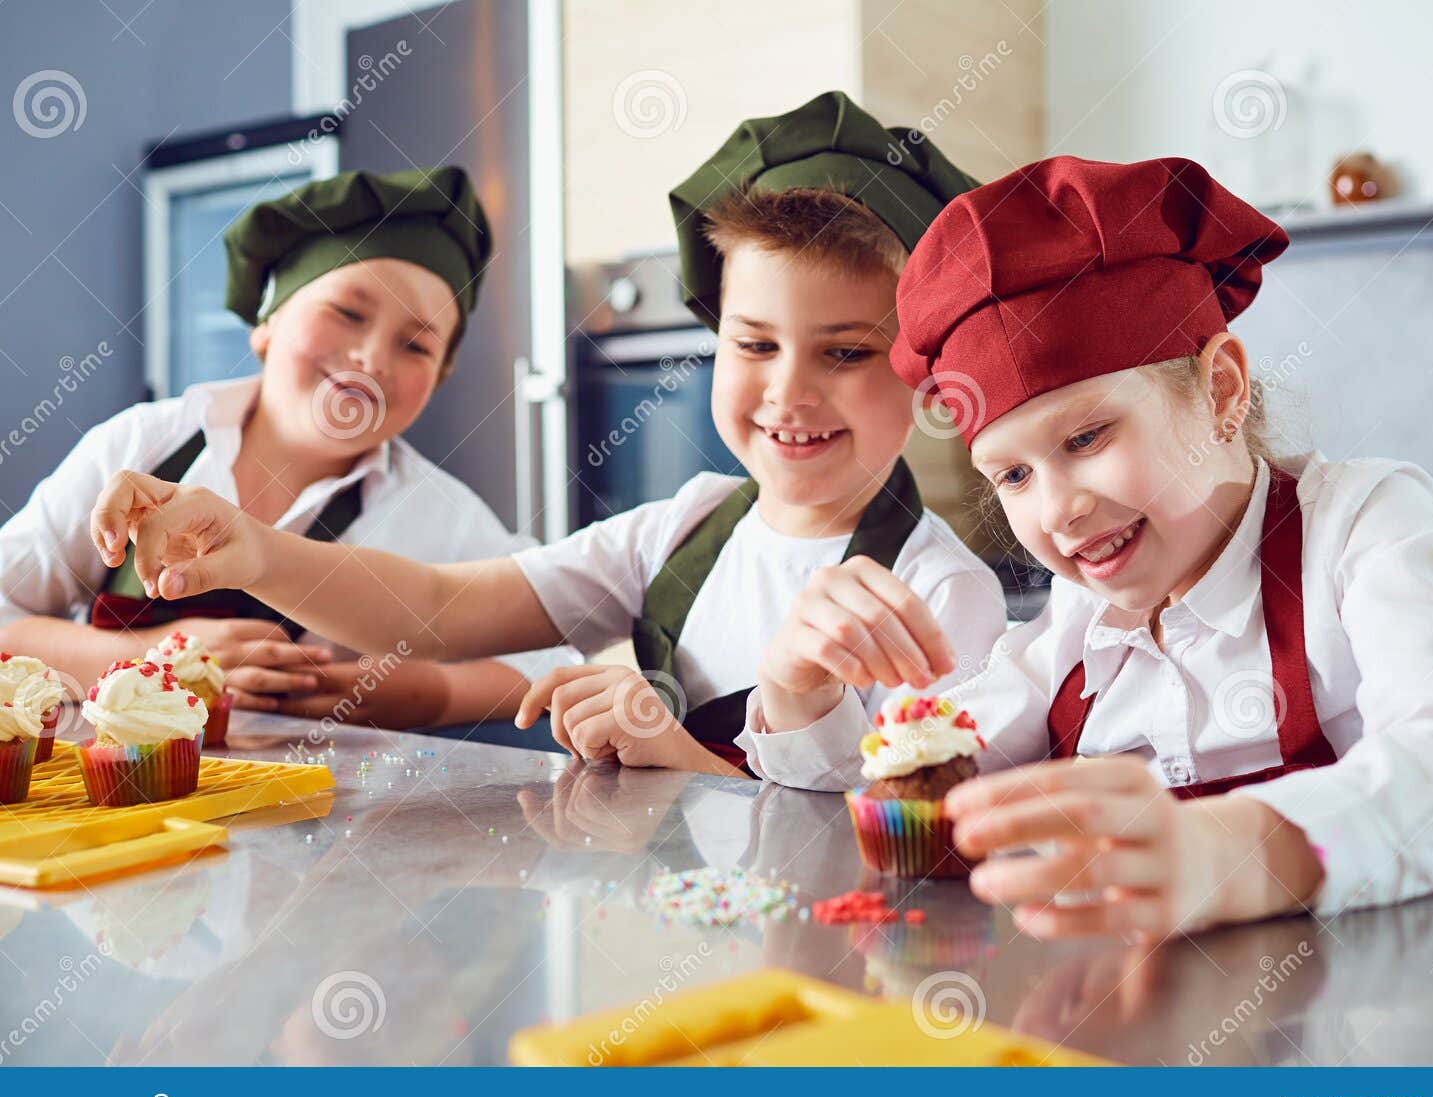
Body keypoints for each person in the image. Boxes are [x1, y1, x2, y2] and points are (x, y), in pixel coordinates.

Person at [85, 93, 1008, 778]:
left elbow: (912, 859)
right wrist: (253, 551)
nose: (788, 391)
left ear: (925, 370)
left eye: (846, 351)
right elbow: (442, 610)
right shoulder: (684, 528)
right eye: (754, 343)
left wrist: (674, 751)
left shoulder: (940, 598)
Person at [744, 155, 1433, 934]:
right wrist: (799, 690)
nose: (1059, 508)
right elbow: (907, 800)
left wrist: (1239, 848)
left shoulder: (1364, 528)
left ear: (1221, 389)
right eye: (1014, 476)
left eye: (1087, 436)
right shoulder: (1075, 623)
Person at [0, 166, 576, 732]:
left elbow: (555, 653)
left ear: (440, 377)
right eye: (347, 313)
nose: (372, 359)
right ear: (266, 324)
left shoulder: (435, 514)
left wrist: (426, 694)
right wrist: (155, 659)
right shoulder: (142, 447)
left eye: (416, 346)